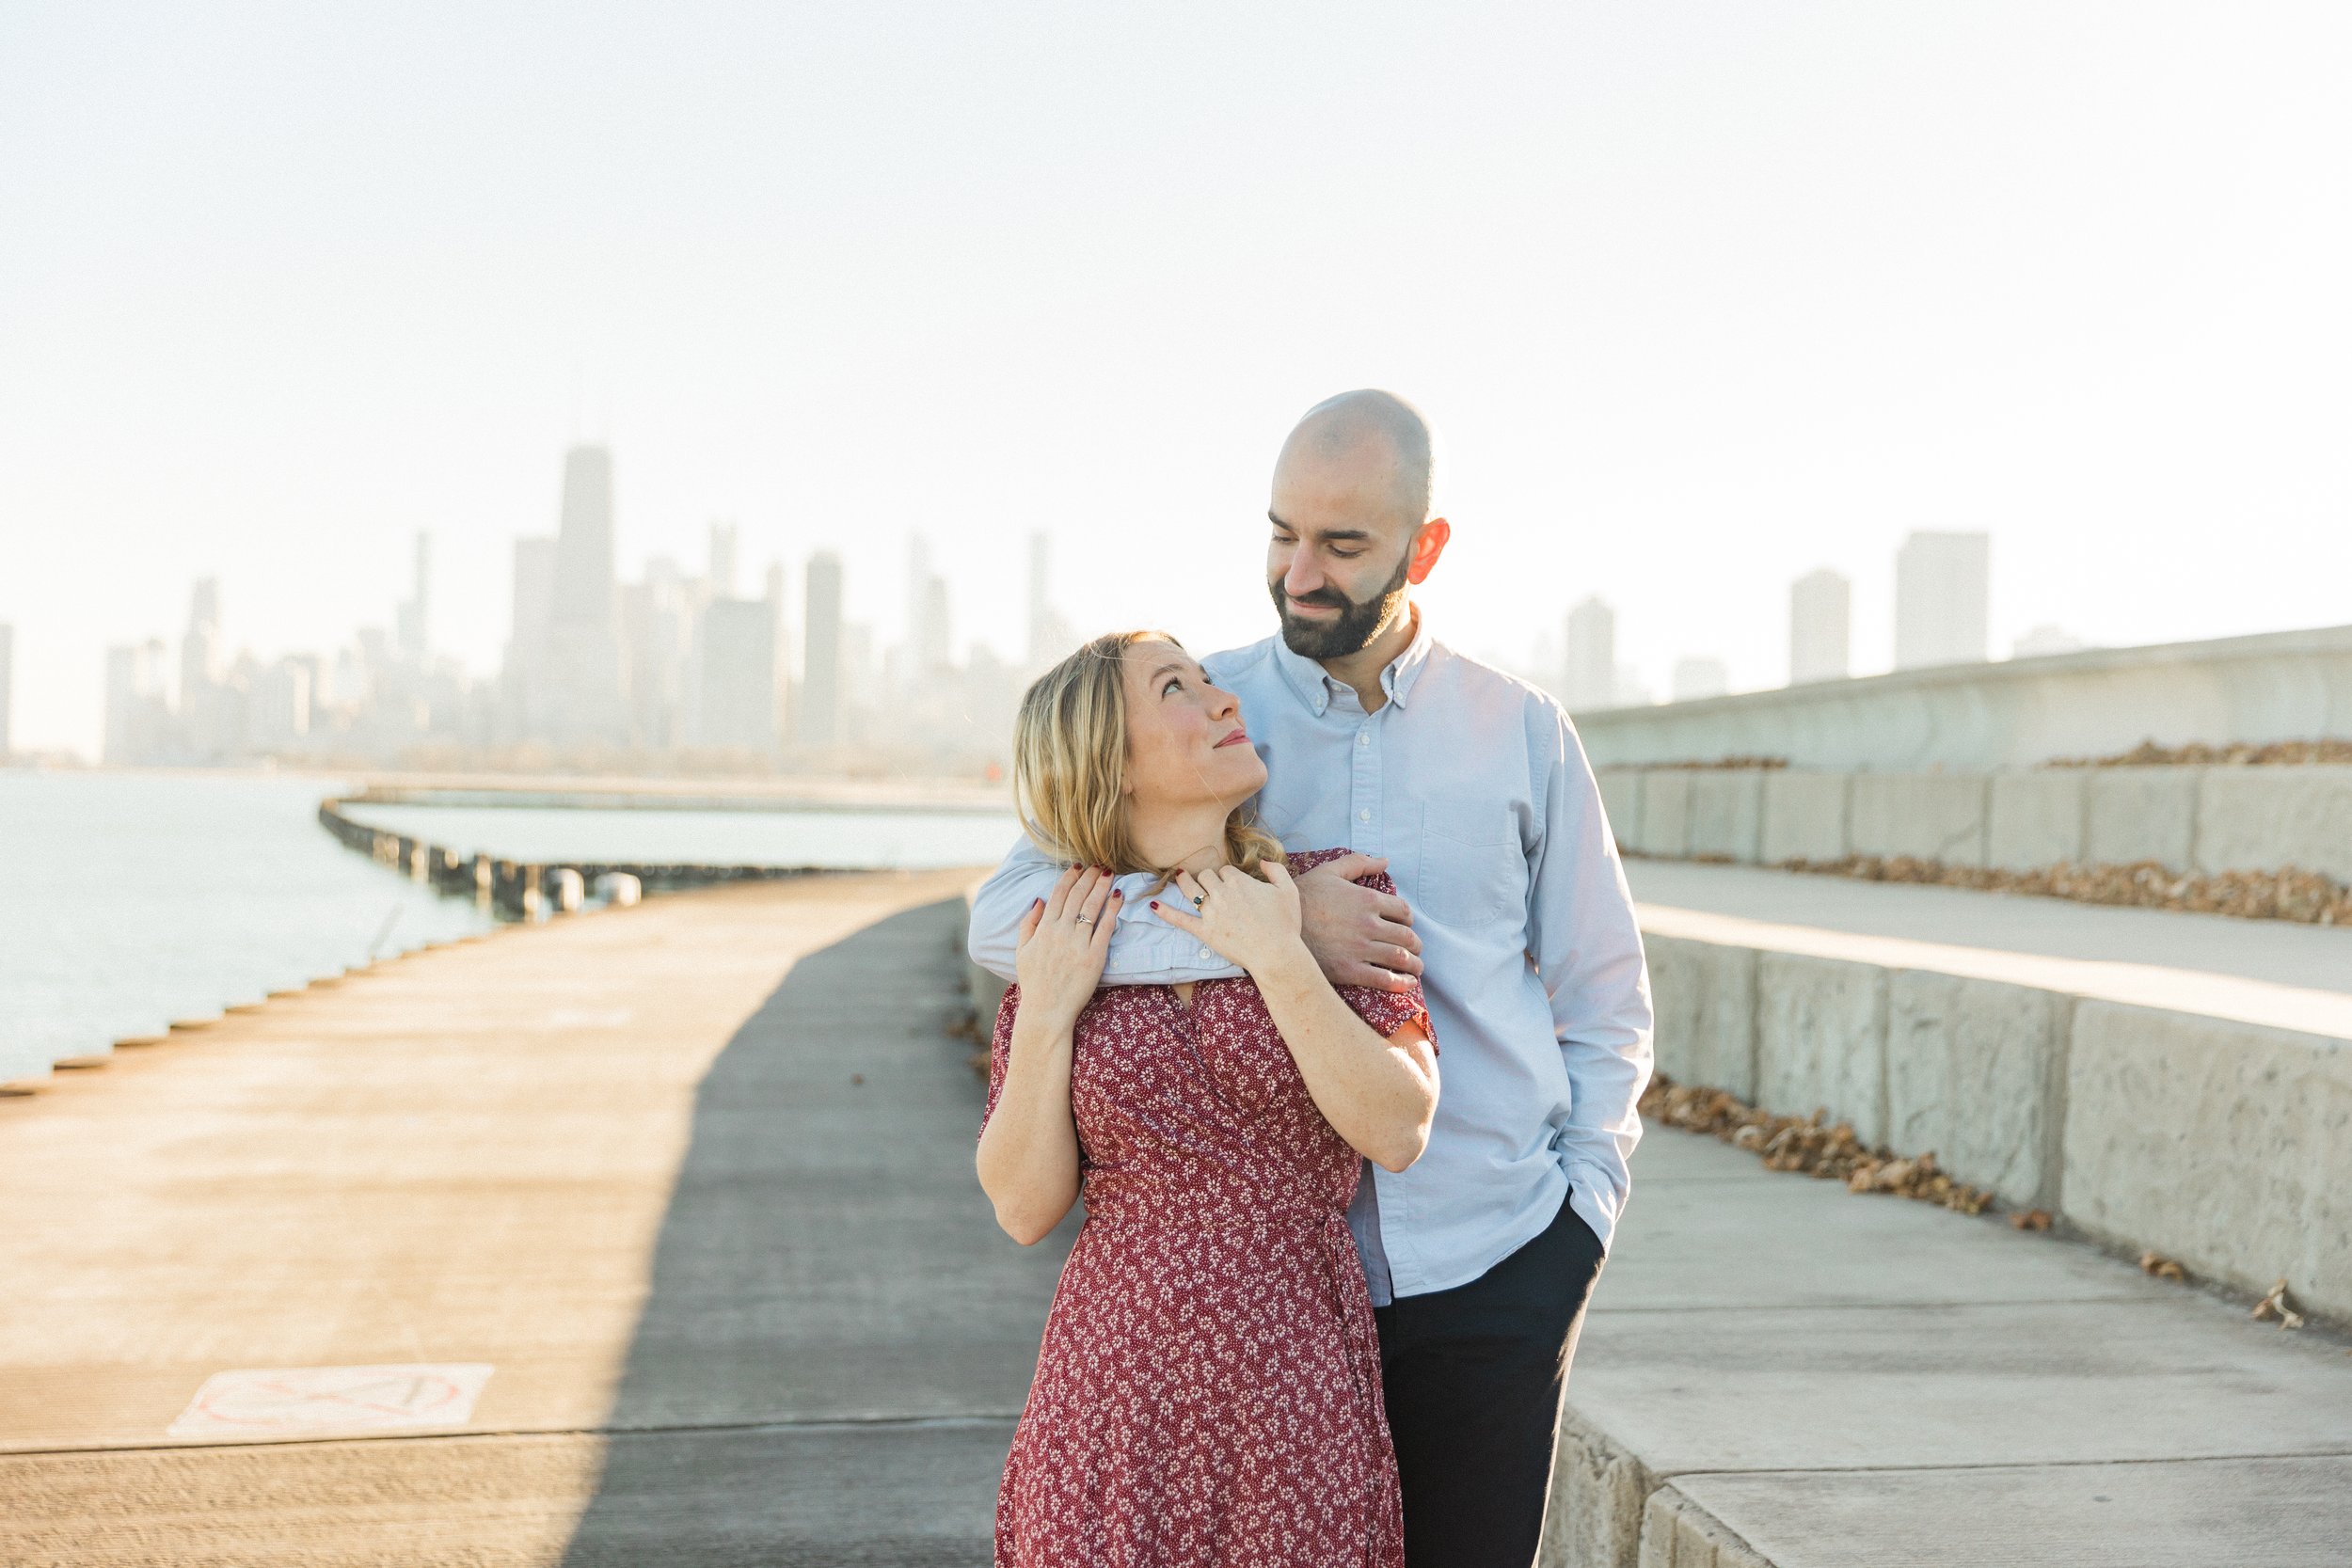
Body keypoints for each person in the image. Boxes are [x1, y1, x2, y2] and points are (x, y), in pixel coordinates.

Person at [970, 389, 1654, 1567]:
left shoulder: (1520, 730)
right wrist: (1258, 926)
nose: (1299, 573)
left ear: (1420, 546)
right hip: (1266, 1296)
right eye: (1281, 534)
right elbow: (1010, 915)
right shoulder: (1202, 709)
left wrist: (1580, 1213)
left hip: (1490, 1260)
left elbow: (1604, 993)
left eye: (1341, 546)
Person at [977, 628, 1440, 1566]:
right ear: (1108, 756)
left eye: (1211, 680)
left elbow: (1399, 1125)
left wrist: (1279, 950)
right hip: (1107, 1399)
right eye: (1176, 689)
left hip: (1290, 1388)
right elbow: (1023, 1206)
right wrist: (1047, 1015)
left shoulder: (1332, 890)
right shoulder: (1065, 925)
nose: (1225, 700)